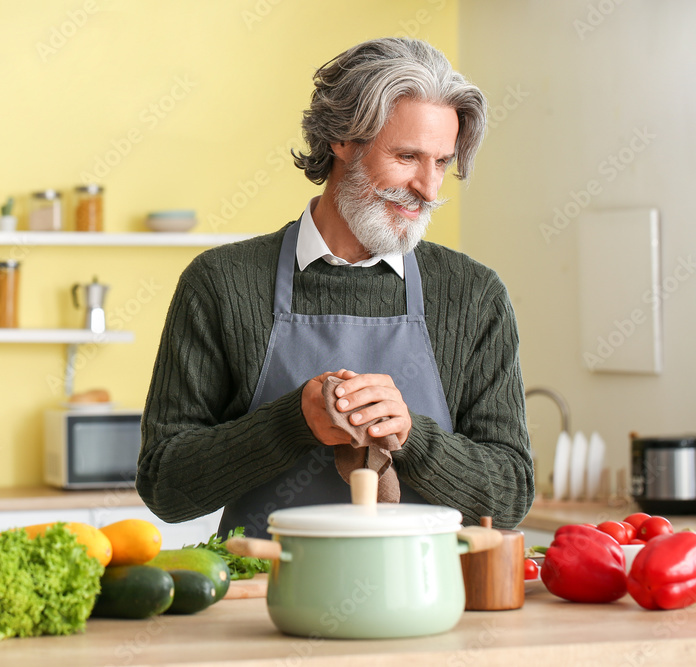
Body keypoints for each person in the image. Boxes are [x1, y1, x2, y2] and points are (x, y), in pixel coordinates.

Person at [137, 37, 534, 538]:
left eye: (441, 163)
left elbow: (512, 494)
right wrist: (291, 424)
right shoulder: (222, 283)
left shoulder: (473, 295)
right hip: (265, 601)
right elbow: (165, 486)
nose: (429, 190)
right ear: (342, 139)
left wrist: (412, 438)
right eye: (408, 157)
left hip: (422, 598)